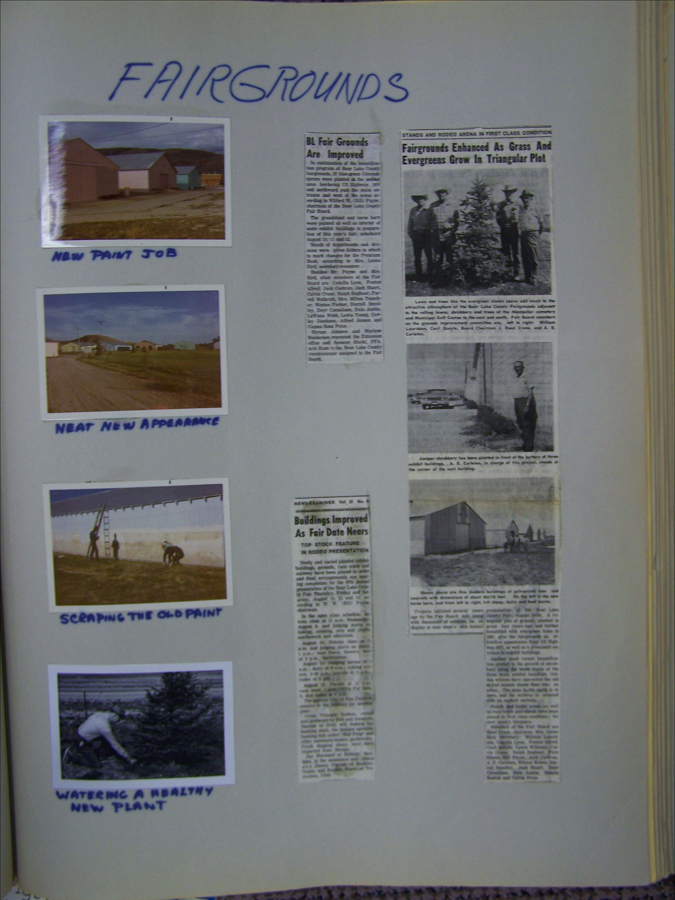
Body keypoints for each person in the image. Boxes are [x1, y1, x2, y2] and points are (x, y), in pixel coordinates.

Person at [65, 702, 135, 769]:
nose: (117, 722)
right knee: (96, 765)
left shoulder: (99, 714)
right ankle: (73, 756)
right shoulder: (104, 726)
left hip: (79, 733)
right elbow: (115, 744)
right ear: (115, 716)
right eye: (118, 719)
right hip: (81, 741)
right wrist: (129, 758)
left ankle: (103, 755)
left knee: (106, 737)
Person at [429, 188, 459, 283]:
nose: (441, 195)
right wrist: (433, 231)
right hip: (436, 234)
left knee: (450, 255)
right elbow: (429, 220)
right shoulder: (433, 205)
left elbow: (458, 220)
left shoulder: (453, 205)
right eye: (439, 193)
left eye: (443, 193)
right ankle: (439, 277)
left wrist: (452, 231)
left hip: (449, 234)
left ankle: (451, 277)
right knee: (437, 257)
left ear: (446, 194)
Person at [518, 189, 544, 285]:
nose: (526, 200)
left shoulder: (536, 209)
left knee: (533, 255)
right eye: (524, 198)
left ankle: (534, 277)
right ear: (522, 199)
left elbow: (542, 224)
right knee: (525, 256)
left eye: (527, 198)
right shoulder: (521, 210)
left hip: (533, 233)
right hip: (523, 234)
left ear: (531, 199)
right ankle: (527, 277)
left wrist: (536, 234)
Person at [510, 360, 538, 451]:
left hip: (525, 402)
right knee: (520, 424)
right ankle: (525, 444)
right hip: (517, 402)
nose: (517, 369)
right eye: (516, 367)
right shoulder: (516, 378)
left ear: (523, 367)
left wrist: (527, 405)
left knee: (527, 425)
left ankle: (529, 447)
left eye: (519, 367)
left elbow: (530, 392)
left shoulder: (527, 377)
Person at [407, 194, 435, 282]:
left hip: (426, 235)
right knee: (417, 256)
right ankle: (418, 276)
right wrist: (411, 233)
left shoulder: (429, 210)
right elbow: (410, 223)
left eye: (422, 199)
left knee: (429, 256)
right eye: (418, 200)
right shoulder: (413, 210)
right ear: (416, 201)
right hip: (416, 235)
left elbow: (432, 222)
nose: (420, 201)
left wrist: (431, 233)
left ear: (425, 200)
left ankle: (430, 276)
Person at [495, 184, 520, 278]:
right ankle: (507, 272)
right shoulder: (500, 205)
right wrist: (502, 225)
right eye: (506, 193)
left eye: (510, 192)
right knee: (506, 252)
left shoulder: (518, 204)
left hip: (514, 230)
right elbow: (497, 217)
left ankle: (516, 273)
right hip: (504, 230)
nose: (508, 194)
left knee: (516, 252)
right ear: (504, 194)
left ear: (513, 193)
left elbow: (521, 217)